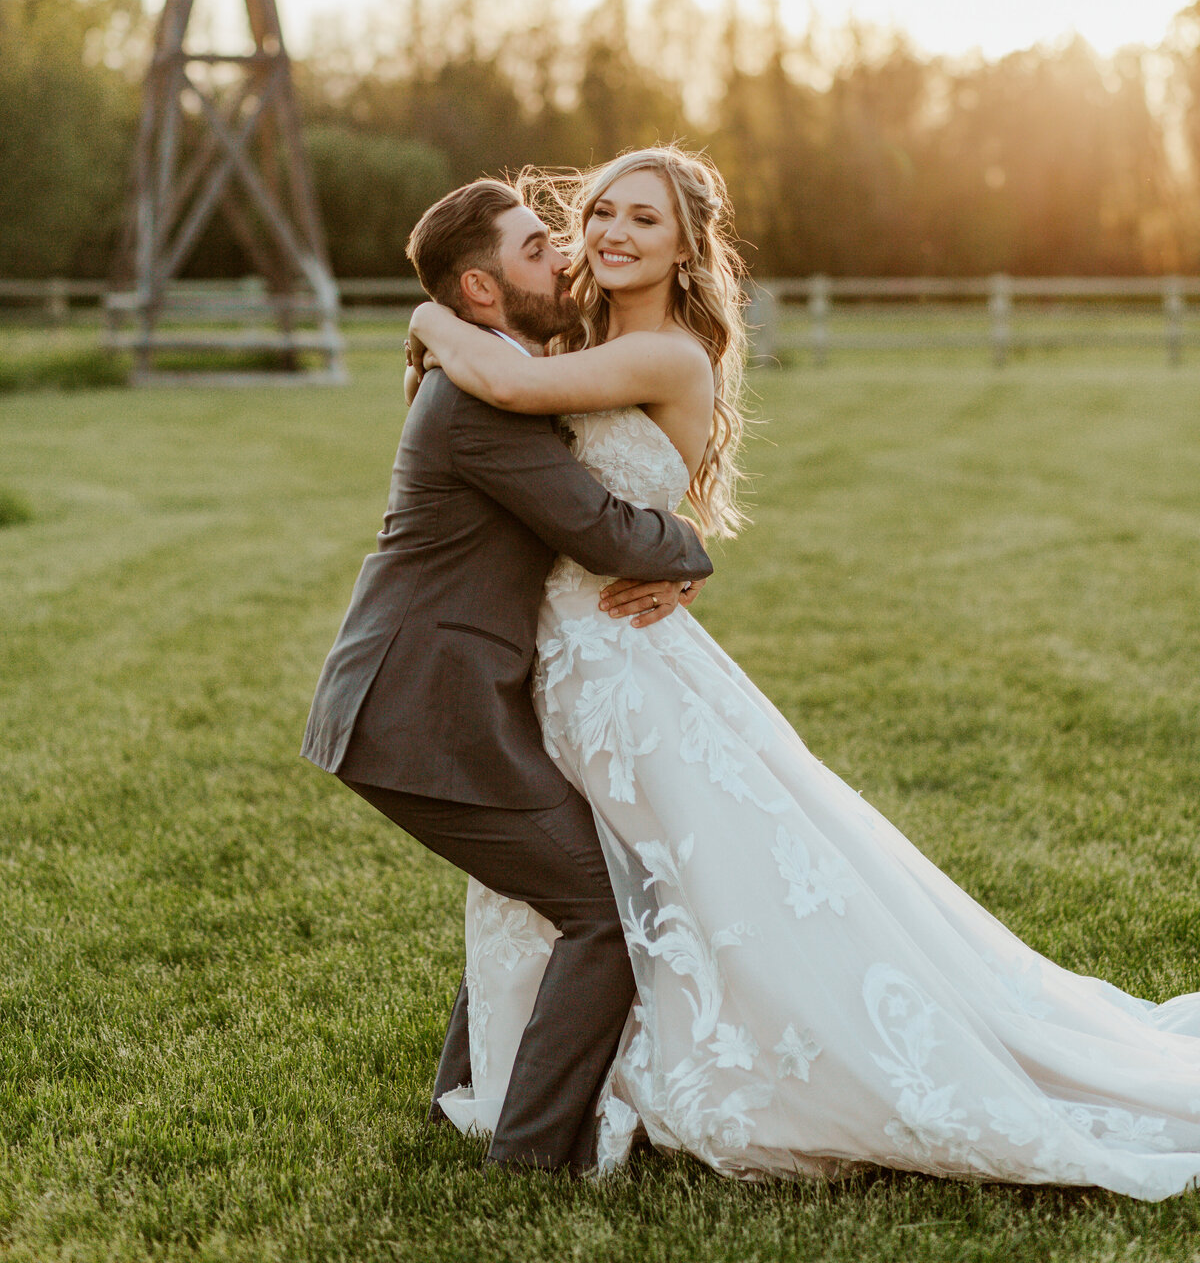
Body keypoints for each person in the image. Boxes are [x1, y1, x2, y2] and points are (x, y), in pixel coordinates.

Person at [404, 143, 1200, 1198]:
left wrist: (428, 321)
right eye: (600, 214)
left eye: (643, 219)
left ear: (688, 245)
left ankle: (700, 1076)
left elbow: (508, 384)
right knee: (580, 880)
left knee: (671, 885)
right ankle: (537, 1079)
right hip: (558, 658)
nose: (611, 235)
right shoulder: (583, 336)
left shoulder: (668, 357)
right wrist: (672, 552)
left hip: (619, 666)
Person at [301, 177, 713, 1175]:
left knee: (535, 880)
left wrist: (430, 320)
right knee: (603, 906)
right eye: (540, 247)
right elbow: (602, 530)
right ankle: (530, 1156)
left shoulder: (503, 367)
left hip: (445, 699)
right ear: (484, 292)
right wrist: (692, 548)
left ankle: (471, 1094)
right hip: (421, 714)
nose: (569, 254)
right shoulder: (483, 400)